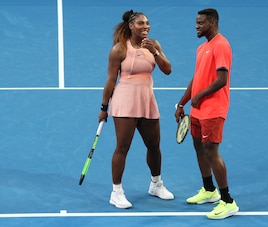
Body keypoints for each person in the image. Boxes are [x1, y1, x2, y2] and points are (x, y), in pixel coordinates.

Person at [98, 10, 174, 209]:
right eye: (141, 23)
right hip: (125, 103)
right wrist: (104, 108)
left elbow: (167, 70)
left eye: (148, 23)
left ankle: (156, 184)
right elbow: (110, 80)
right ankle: (116, 192)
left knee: (154, 146)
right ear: (131, 26)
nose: (146, 26)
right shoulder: (119, 49)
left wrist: (155, 52)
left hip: (147, 101)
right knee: (122, 148)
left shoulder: (154, 45)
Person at [174, 8, 239, 219]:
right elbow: (196, 78)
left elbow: (222, 79)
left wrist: (200, 96)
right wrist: (181, 103)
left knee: (211, 151)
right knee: (198, 148)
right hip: (198, 108)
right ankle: (209, 190)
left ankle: (228, 201)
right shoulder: (202, 48)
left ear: (211, 22)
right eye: (196, 22)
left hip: (214, 108)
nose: (196, 26)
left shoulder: (221, 45)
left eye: (200, 23)